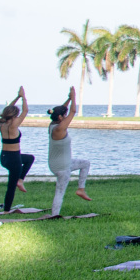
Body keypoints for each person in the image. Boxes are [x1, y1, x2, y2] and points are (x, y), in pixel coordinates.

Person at [47, 86, 91, 217]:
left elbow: (63, 109)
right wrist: (74, 96)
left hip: (60, 163)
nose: (66, 117)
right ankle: (54, 215)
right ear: (60, 117)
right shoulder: (59, 129)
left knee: (85, 163)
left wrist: (68, 98)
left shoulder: (52, 124)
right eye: (64, 115)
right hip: (61, 167)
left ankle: (81, 189)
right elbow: (72, 111)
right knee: (60, 192)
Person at [0, 88, 33, 212]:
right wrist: (23, 97)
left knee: (29, 158)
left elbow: (6, 110)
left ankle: (20, 180)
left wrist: (17, 97)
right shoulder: (14, 125)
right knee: (11, 187)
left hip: (4, 157)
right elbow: (25, 110)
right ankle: (6, 210)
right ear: (14, 115)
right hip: (14, 159)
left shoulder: (2, 123)